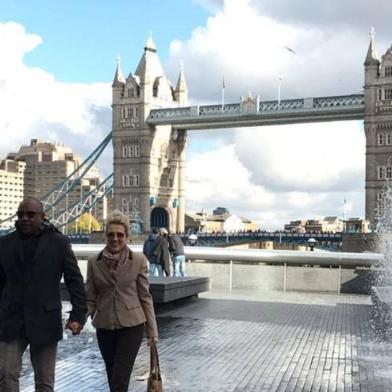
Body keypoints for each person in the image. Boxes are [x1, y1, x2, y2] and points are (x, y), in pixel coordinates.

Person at [0, 197, 87, 392]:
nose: (25, 218)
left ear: (42, 216)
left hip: (45, 320)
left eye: (30, 215)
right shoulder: (4, 244)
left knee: (45, 382)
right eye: (21, 214)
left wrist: (78, 315)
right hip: (11, 320)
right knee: (6, 375)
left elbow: (75, 281)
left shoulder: (59, 243)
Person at [86, 210, 158, 392]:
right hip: (104, 326)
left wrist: (152, 331)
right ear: (105, 236)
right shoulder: (94, 262)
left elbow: (145, 297)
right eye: (111, 234)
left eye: (120, 235)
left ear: (127, 237)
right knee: (112, 375)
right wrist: (78, 319)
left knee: (120, 375)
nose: (115, 239)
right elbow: (90, 298)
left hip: (132, 325)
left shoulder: (139, 260)